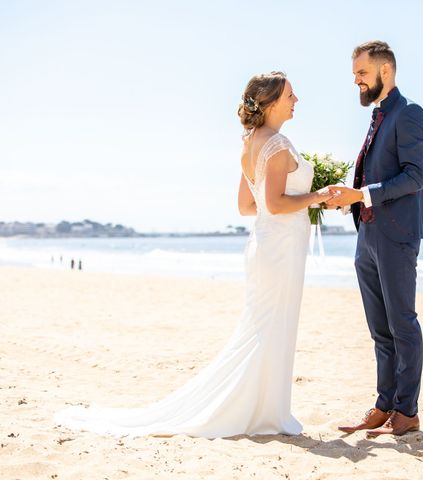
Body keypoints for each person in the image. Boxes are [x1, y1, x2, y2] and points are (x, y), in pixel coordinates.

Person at [54, 71, 334, 439]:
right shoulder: (277, 144)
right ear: (270, 103)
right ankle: (264, 413)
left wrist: (293, 208)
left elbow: (246, 207)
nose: (296, 100)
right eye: (291, 95)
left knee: (264, 328)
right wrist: (318, 196)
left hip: (266, 247)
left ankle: (264, 409)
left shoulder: (251, 144)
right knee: (271, 328)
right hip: (280, 251)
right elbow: (276, 203)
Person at [326, 41, 423, 437]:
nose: (356, 81)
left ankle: (407, 412)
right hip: (366, 235)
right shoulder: (377, 116)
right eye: (355, 74)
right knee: (379, 329)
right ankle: (384, 404)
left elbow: (413, 177)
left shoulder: (410, 114)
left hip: (397, 236)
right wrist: (347, 197)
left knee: (402, 324)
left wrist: (363, 194)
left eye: (361, 73)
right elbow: (372, 175)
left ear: (385, 71)